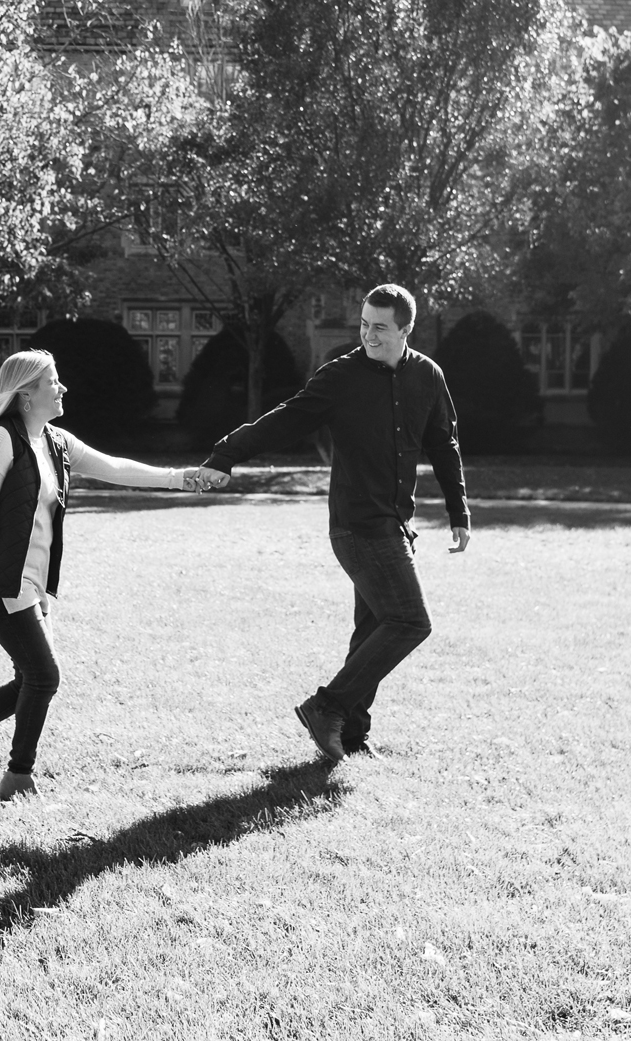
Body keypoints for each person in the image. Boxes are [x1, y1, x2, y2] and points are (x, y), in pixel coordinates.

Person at [0, 349, 210, 800]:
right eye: (53, 382)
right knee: (44, 676)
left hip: (27, 582)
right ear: (27, 395)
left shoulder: (55, 442)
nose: (62, 388)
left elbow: (117, 468)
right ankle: (18, 776)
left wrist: (183, 478)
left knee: (31, 677)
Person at [196, 284, 468, 762]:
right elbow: (286, 419)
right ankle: (327, 707)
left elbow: (444, 443)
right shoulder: (341, 377)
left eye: (380, 328)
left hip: (394, 523)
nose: (368, 335)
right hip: (357, 526)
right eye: (364, 325)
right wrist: (225, 454)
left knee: (373, 630)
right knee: (409, 621)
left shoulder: (427, 375)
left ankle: (352, 735)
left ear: (406, 329)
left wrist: (458, 510)